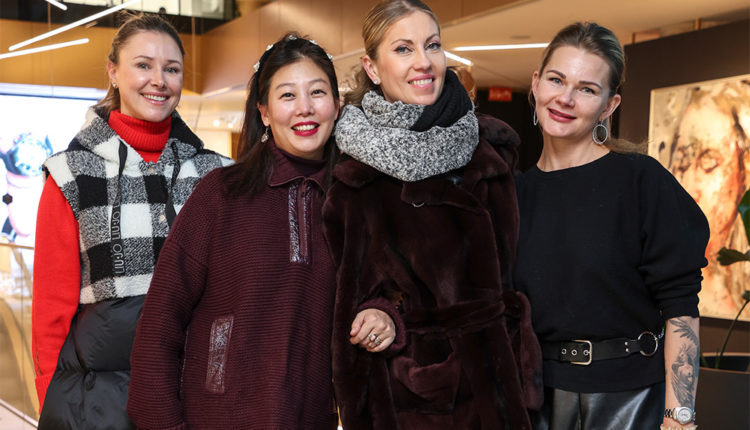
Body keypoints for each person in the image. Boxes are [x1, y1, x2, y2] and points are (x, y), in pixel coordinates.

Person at [126, 33, 393, 429]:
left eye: (317, 92)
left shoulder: (357, 200)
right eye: (287, 95)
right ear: (264, 112)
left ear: (336, 105)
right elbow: (159, 323)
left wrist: (384, 314)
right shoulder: (221, 194)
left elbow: (386, 292)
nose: (304, 108)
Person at [323, 1, 542, 428]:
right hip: (420, 402)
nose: (424, 62)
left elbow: (521, 269)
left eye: (433, 45)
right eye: (403, 49)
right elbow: (351, 308)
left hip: (505, 385)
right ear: (372, 68)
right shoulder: (355, 178)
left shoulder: (493, 146)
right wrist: (382, 315)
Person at [31, 13, 232, 429]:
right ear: (113, 71)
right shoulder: (71, 173)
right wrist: (50, 399)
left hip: (193, 397)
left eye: (171, 69)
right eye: (143, 65)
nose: (158, 80)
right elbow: (51, 309)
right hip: (95, 407)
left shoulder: (216, 174)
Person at [514, 22, 708, 429]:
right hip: (536, 401)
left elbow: (680, 308)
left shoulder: (640, 181)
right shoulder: (511, 194)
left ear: (609, 106)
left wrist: (680, 416)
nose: (565, 98)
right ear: (535, 83)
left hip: (631, 401)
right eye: (556, 80)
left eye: (587, 89)